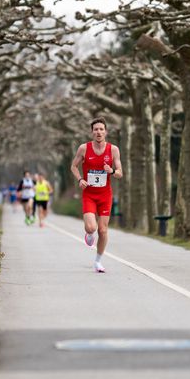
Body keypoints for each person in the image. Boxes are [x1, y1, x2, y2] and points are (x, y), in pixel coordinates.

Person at [71, 117, 122, 273]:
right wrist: (80, 179)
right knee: (91, 227)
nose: (99, 132)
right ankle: (89, 233)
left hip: (105, 195)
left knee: (103, 230)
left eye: (101, 129)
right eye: (96, 129)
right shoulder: (84, 148)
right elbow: (73, 166)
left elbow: (120, 173)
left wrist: (112, 171)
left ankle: (98, 261)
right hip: (89, 194)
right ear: (92, 132)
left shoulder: (113, 150)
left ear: (105, 131)